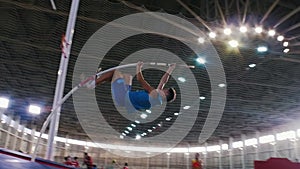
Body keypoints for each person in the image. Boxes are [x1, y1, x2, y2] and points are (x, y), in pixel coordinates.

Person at [90, 61, 176, 113]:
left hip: (122, 98)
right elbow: (163, 81)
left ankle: (93, 83)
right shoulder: (157, 98)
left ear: (166, 92)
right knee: (127, 77)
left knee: (115, 72)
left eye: (165, 89)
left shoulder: (155, 95)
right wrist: (170, 69)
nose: (163, 88)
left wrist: (138, 67)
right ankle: (100, 79)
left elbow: (140, 79)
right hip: (127, 96)